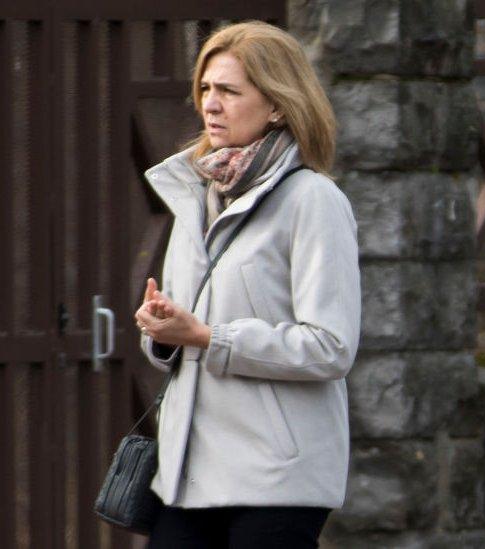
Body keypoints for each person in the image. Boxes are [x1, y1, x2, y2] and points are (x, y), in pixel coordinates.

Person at [132, 21, 360, 548]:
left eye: (230, 91)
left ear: (278, 104)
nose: (211, 104)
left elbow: (331, 347)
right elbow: (182, 330)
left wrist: (211, 337)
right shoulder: (196, 193)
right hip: (188, 476)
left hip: (277, 479)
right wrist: (163, 331)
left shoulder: (313, 200)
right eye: (206, 89)